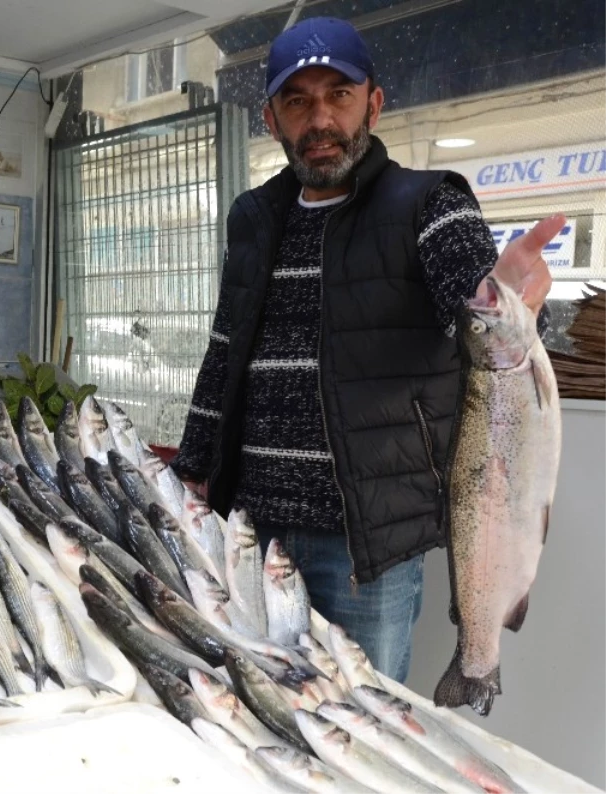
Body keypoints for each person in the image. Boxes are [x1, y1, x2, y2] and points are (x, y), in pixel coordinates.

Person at [170, 16, 561, 683]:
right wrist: (190, 475)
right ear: (272, 119)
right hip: (249, 532)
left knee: (362, 726)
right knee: (262, 715)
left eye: (338, 96)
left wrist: (505, 293)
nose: (320, 118)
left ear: (373, 104)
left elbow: (468, 295)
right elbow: (226, 353)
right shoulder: (254, 216)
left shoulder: (429, 202)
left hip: (365, 549)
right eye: (298, 100)